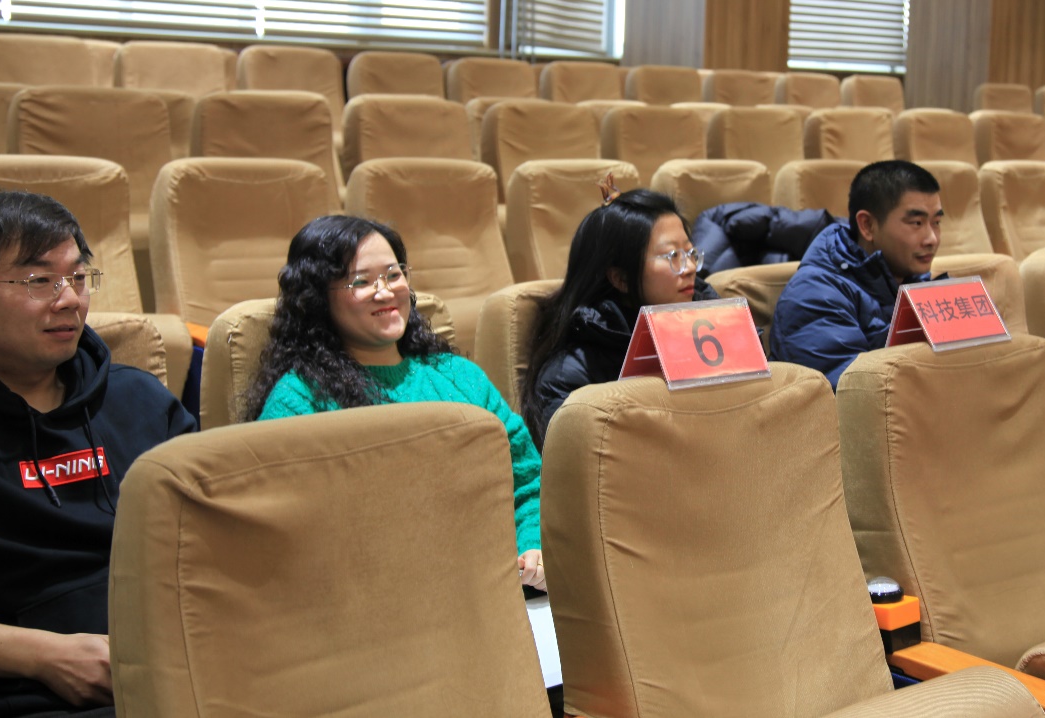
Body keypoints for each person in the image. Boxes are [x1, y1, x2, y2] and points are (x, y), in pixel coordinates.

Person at [0, 191, 197, 718]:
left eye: (79, 277)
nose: (69, 300)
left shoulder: (139, 399)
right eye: (39, 281)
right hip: (29, 692)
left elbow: (211, 537)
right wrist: (45, 657)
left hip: (184, 664)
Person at [246, 215, 545, 590]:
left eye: (393, 274)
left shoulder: (459, 376)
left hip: (491, 588)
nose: (385, 292)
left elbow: (527, 481)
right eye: (361, 281)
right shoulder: (298, 400)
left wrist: (531, 545)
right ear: (317, 298)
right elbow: (283, 533)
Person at [519, 183, 718, 448]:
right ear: (620, 278)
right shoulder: (569, 376)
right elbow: (585, 466)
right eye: (672, 255)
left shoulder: (712, 325)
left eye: (690, 253)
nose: (690, 267)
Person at [769, 160, 943, 387]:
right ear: (867, 225)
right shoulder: (815, 295)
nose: (932, 239)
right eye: (917, 223)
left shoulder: (916, 281)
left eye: (936, 222)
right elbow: (852, 393)